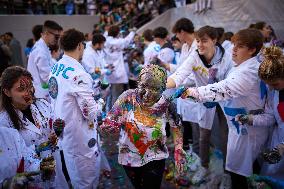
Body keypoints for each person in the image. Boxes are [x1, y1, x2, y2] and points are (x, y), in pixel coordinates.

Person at [181, 29, 267, 189]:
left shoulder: (247, 72)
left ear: (252, 50)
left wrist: (192, 92)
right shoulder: (245, 65)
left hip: (246, 130)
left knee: (240, 173)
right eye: (234, 45)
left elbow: (224, 88)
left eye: (239, 46)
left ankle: (233, 178)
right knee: (239, 167)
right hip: (240, 124)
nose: (233, 49)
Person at [100, 64, 187, 189]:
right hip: (128, 158)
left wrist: (178, 147)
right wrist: (109, 129)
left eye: (155, 89)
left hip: (156, 157)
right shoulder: (127, 98)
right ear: (138, 83)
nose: (147, 94)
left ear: (163, 88)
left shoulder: (166, 104)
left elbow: (177, 126)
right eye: (144, 86)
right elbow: (110, 122)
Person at [167, 26, 232, 183]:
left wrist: (215, 92)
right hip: (204, 98)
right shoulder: (195, 56)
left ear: (214, 41)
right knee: (203, 136)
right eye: (198, 41)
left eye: (204, 41)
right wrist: (161, 84)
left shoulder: (226, 57)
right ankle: (204, 167)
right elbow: (180, 74)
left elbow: (232, 82)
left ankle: (227, 173)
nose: (200, 45)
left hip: (225, 98)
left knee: (227, 137)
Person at [48, 28, 104, 188]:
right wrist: (101, 102)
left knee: (75, 175)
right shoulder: (78, 73)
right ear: (80, 45)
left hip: (65, 132)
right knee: (86, 181)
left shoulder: (56, 67)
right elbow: (91, 112)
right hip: (81, 137)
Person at [236, 46, 284, 180]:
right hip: (277, 141)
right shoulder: (275, 92)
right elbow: (271, 117)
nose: (270, 88)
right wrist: (250, 119)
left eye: (274, 84)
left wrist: (283, 147)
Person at [0, 66, 54, 157]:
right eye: (21, 89)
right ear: (7, 92)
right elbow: (11, 157)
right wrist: (37, 149)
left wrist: (58, 131)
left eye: (30, 86)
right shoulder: (4, 123)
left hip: (56, 164)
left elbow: (56, 127)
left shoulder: (43, 105)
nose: (29, 92)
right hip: (32, 170)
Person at [28, 20, 62, 100]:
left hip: (41, 91)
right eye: (56, 36)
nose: (57, 39)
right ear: (46, 33)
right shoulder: (41, 51)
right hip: (41, 94)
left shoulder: (42, 47)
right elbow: (47, 77)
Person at [104, 25, 136, 106]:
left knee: (109, 95)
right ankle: (113, 116)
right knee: (116, 96)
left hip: (108, 71)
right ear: (117, 33)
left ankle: (108, 112)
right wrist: (133, 32)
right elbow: (127, 40)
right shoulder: (118, 42)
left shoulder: (105, 40)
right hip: (117, 73)